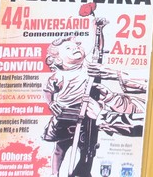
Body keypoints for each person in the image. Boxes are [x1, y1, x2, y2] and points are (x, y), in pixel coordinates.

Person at [42, 34, 146, 177]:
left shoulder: (88, 66)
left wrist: (99, 31)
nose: (76, 48)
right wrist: (51, 102)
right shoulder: (58, 77)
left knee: (88, 146)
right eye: (68, 48)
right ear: (58, 59)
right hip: (66, 114)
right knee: (60, 147)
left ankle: (83, 171)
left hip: (87, 112)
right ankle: (55, 173)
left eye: (77, 46)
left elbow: (99, 49)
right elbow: (47, 92)